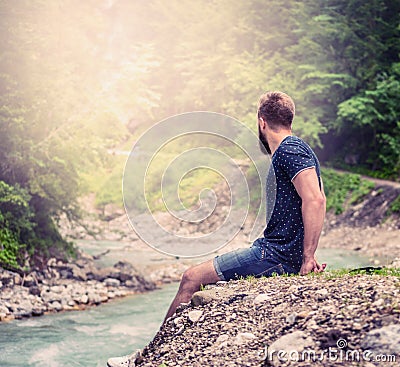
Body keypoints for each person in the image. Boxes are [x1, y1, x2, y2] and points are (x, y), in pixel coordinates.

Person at [107, 91, 326, 367]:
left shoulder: (288, 149)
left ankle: (146, 360)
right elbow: (320, 197)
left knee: (190, 278)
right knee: (195, 277)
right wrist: (309, 251)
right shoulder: (299, 148)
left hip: (274, 256)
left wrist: (306, 258)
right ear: (289, 118)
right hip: (276, 251)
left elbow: (315, 200)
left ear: (261, 122)